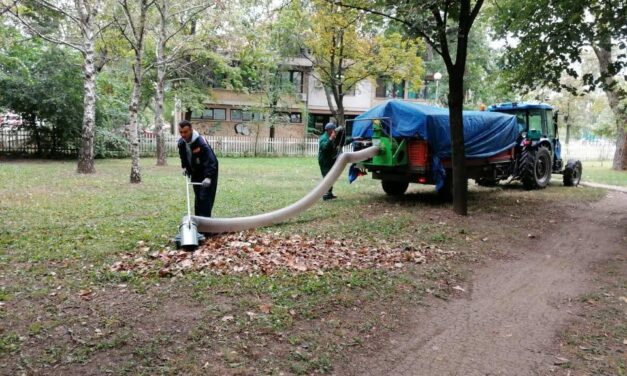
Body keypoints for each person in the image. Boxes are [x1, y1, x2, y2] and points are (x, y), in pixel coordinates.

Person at [177, 120, 219, 217]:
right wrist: (185, 168)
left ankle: (206, 227)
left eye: (185, 132)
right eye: (181, 132)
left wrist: (208, 177)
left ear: (191, 130)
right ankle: (198, 223)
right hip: (196, 171)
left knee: (205, 197)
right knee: (198, 197)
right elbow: (183, 156)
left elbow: (212, 160)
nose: (183, 135)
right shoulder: (181, 143)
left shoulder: (201, 142)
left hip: (207, 171)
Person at [318, 122, 351, 200]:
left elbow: (342, 142)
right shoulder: (324, 138)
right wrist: (330, 139)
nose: (335, 132)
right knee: (327, 177)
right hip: (324, 161)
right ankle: (326, 195)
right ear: (329, 131)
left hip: (331, 160)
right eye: (333, 130)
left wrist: (353, 139)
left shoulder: (334, 137)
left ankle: (329, 194)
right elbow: (324, 147)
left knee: (331, 177)